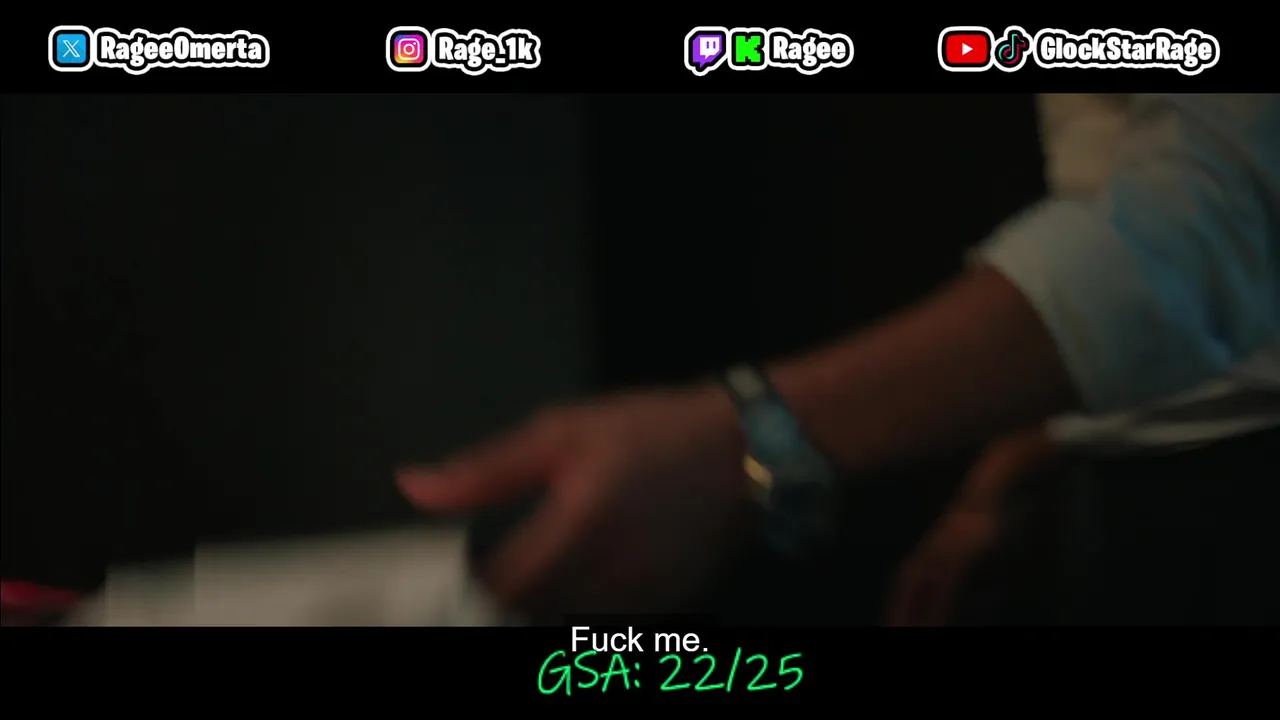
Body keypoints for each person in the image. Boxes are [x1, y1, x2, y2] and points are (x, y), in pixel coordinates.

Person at [397, 94, 1280, 621]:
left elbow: (1229, 211)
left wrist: (745, 438)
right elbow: (1127, 177)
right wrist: (1037, 446)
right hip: (1129, 473)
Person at [886, 95, 1280, 625]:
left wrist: (793, 425)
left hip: (1224, 478)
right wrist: (1003, 472)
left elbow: (1203, 244)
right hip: (1128, 459)